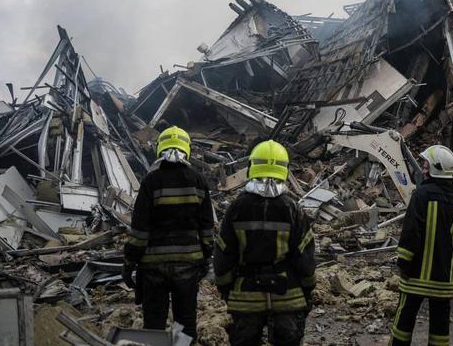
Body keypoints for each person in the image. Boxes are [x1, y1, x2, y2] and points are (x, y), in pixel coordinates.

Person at [213, 140, 315, 346]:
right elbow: (304, 255)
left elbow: (224, 253)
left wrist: (225, 287)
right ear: (285, 169)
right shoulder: (293, 208)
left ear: (251, 167)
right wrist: (308, 289)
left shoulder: (237, 208)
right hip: (287, 295)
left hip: (246, 297)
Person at [123, 126, 214, 340]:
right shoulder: (198, 180)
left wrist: (129, 263)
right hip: (188, 266)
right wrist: (206, 257)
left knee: (154, 322)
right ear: (187, 148)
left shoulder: (151, 181)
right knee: (185, 322)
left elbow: (140, 230)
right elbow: (207, 226)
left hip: (153, 269)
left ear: (159, 148)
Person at [390, 145, 453, 346]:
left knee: (404, 323)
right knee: (440, 329)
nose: (423, 169)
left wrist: (404, 262)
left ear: (435, 169)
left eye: (426, 165)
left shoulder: (422, 195)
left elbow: (410, 232)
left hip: (415, 276)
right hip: (443, 279)